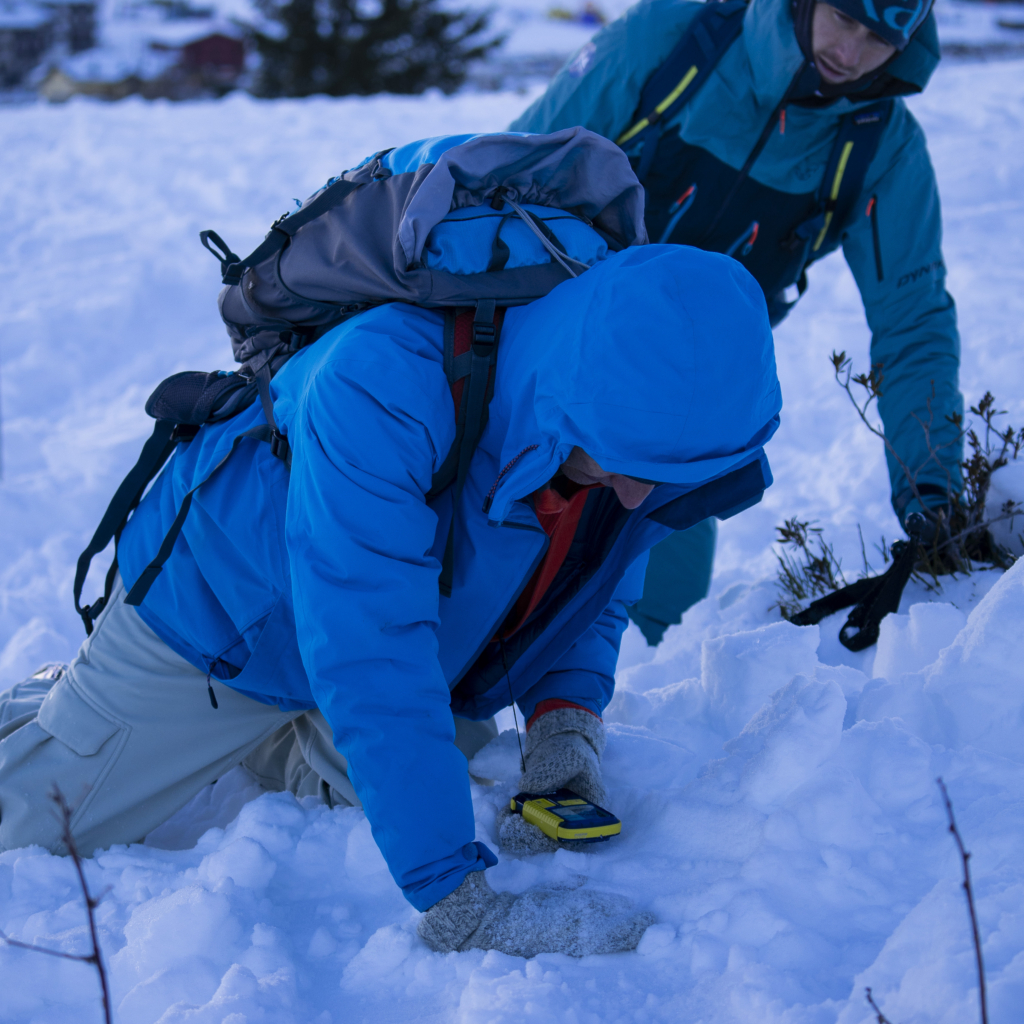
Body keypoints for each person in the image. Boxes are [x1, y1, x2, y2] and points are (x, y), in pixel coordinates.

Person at [0, 243, 780, 957]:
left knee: (452, 787)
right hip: (218, 621)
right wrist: (456, 899)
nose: (640, 491)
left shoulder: (617, 436)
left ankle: (276, 737)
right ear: (571, 397)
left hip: (372, 637)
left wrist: (564, 725)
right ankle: (77, 704)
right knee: (33, 828)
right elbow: (370, 644)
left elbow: (590, 586)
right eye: (627, 463)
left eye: (663, 475)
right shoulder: (382, 383)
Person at [512, 0, 964, 644]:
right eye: (844, 20)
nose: (852, 52)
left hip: (691, 403)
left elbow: (912, 322)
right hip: (552, 352)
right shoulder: (671, 43)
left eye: (878, 39)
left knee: (657, 620)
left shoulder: (882, 145)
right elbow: (512, 180)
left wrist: (934, 494)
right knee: (477, 560)